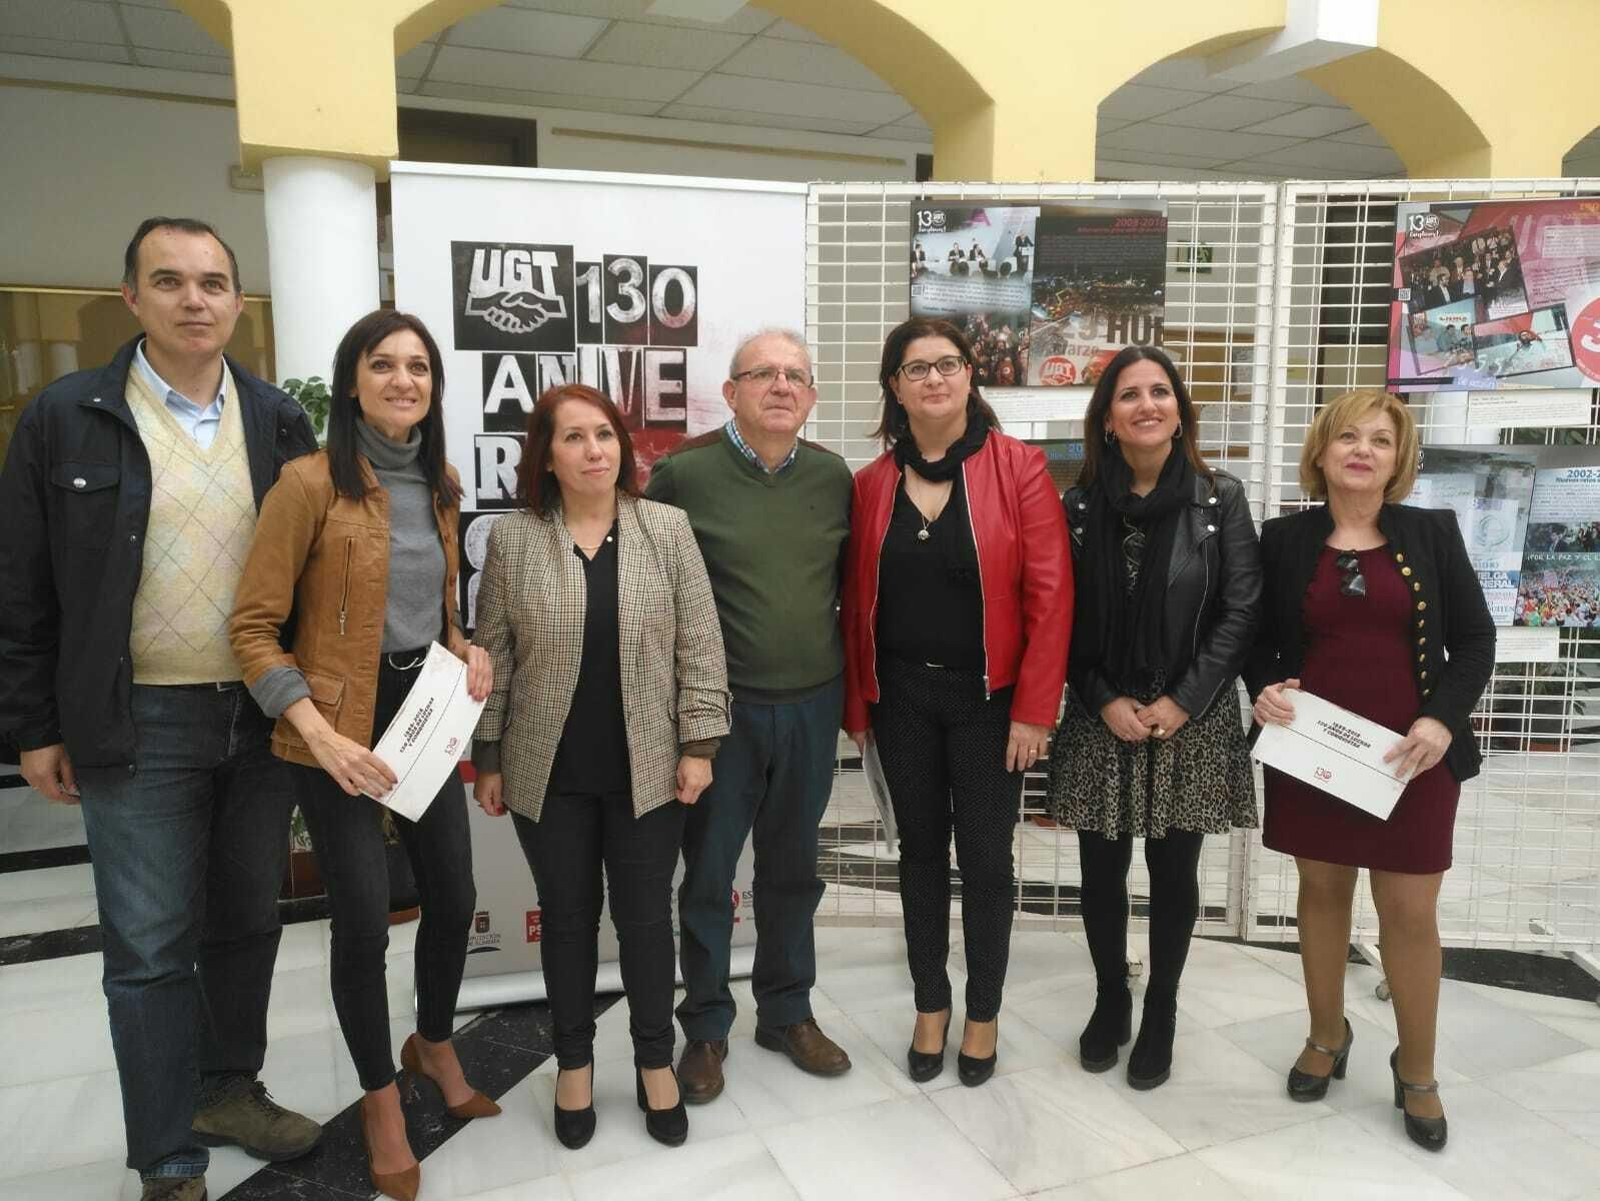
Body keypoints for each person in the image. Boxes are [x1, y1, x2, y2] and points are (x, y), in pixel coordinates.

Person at [0, 217, 322, 1201]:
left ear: (236, 303)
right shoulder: (67, 417)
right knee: (146, 945)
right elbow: (22, 582)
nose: (196, 299)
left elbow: (314, 573)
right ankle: (167, 1156)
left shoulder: (276, 421)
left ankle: (228, 1089)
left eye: (215, 283)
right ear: (131, 298)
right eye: (170, 281)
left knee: (245, 921)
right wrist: (34, 724)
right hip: (136, 717)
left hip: (259, 714)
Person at [229, 310, 496, 1201]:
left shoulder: (442, 482)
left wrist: (469, 643)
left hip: (423, 711)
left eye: (418, 367)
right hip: (334, 721)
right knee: (361, 915)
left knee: (453, 895)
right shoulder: (308, 484)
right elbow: (254, 629)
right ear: (352, 382)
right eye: (383, 365)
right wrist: (318, 733)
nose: (403, 380)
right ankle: (381, 1098)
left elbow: (436, 601)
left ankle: (434, 1040)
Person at [470, 383, 731, 1150]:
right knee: (569, 920)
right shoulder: (514, 540)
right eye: (575, 438)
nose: (595, 450)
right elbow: (497, 655)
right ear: (545, 457)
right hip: (545, 770)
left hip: (650, 766)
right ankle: (575, 1062)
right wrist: (488, 755)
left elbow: (700, 644)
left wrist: (698, 744)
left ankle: (655, 1060)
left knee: (648, 922)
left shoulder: (667, 528)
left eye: (606, 436)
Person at [1247, 389, 1494, 1153]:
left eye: (1380, 440)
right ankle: (1327, 1034)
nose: (1362, 449)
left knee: (1410, 915)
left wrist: (1439, 717)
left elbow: (1477, 640)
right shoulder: (1283, 538)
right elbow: (1253, 635)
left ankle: (1415, 1067)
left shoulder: (1432, 532)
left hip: (1413, 759)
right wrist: (1262, 686)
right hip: (1313, 754)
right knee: (1320, 894)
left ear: (1400, 457)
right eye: (1347, 436)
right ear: (1321, 452)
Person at [842, 316, 1072, 1086]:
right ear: (894, 387)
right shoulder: (872, 483)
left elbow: (1050, 595)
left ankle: (983, 1013)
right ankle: (929, 1005)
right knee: (917, 858)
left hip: (990, 702)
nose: (933, 379)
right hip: (901, 696)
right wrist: (859, 705)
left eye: (947, 364)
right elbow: (853, 600)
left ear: (972, 375)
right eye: (916, 368)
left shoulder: (1021, 469)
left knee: (985, 859)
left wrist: (1036, 709)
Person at [645, 329, 855, 1103]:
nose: (780, 385)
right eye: (762, 373)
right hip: (717, 717)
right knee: (706, 873)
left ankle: (787, 1010)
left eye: (796, 375)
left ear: (811, 396)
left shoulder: (835, 478)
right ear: (729, 390)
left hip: (812, 704)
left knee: (793, 869)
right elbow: (646, 581)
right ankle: (704, 1025)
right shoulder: (684, 475)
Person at [1046, 345, 1261, 1091]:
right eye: (1129, 394)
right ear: (1106, 417)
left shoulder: (1220, 498)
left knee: (1174, 870)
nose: (1146, 404)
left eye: (1160, 392)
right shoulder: (1075, 507)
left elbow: (1240, 611)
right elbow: (1057, 618)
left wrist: (1183, 699)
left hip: (1188, 718)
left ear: (1179, 410)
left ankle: (1162, 1004)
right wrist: (1102, 696)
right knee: (1100, 870)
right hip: (1102, 711)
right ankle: (1112, 996)